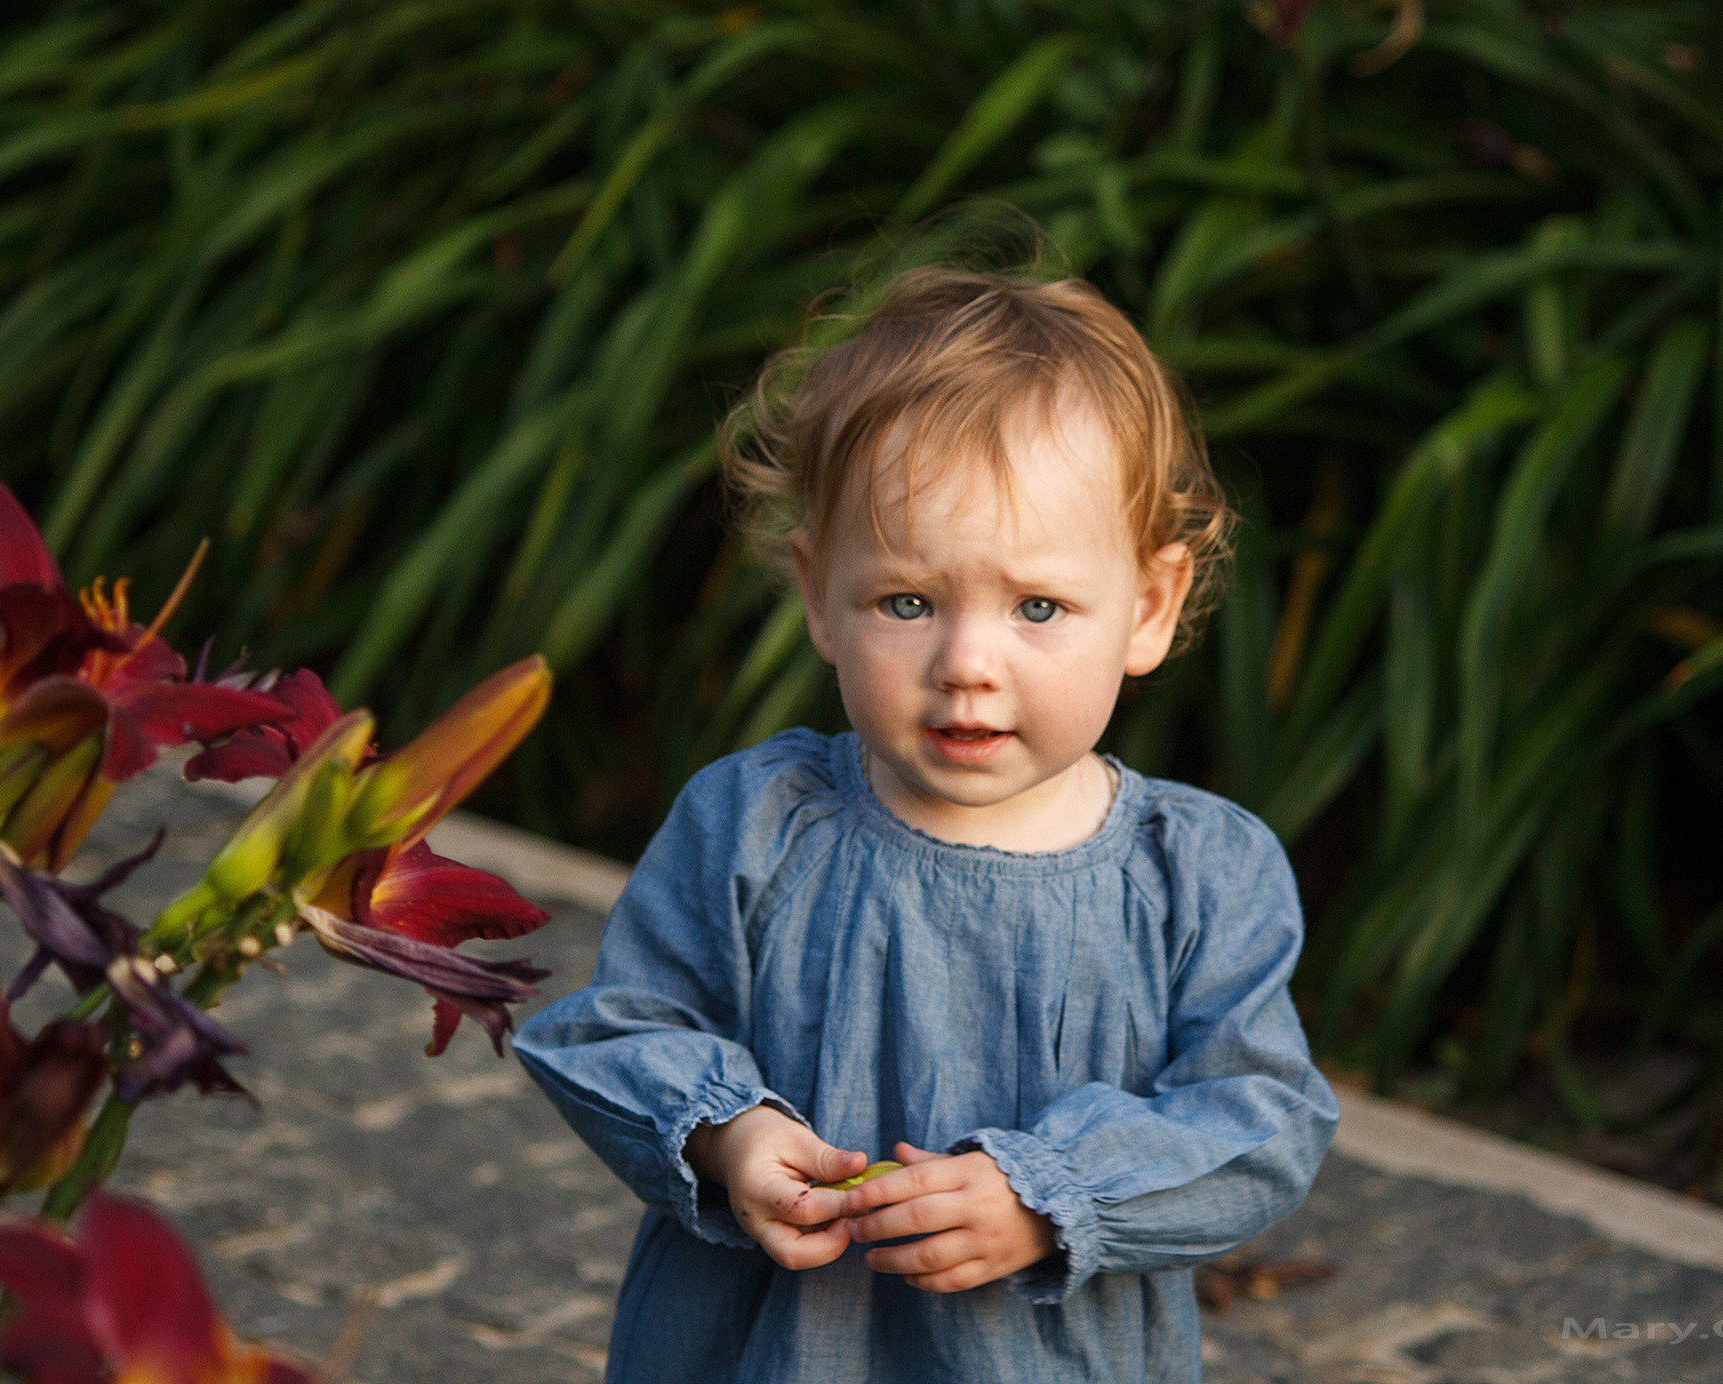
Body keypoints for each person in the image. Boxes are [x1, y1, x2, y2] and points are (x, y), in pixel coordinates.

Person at [513, 267, 1339, 1382]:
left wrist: (1049, 1196)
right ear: (818, 593)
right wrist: (730, 1134)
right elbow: (615, 1028)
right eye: (907, 600)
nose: (966, 665)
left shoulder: (1196, 871)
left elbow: (1258, 1119)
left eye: (1036, 607)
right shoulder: (756, 824)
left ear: (1146, 606)